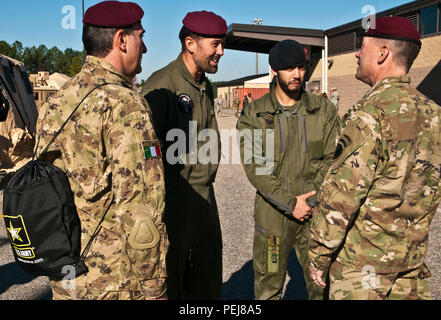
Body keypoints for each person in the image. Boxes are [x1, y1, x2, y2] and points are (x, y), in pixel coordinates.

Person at [33, 1, 168, 300]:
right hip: (115, 284)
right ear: (121, 40)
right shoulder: (126, 104)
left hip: (65, 279)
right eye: (140, 36)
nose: (143, 47)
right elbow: (141, 206)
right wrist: (154, 288)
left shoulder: (57, 102)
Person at [309, 16, 441, 300]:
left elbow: (341, 196)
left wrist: (319, 254)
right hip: (410, 270)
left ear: (382, 53)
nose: (357, 53)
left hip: (363, 273)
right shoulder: (434, 113)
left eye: (362, 46)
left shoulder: (369, 113)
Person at [237, 39, 339, 300]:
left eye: (301, 68)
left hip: (316, 214)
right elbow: (256, 167)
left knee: (321, 285)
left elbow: (331, 159)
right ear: (274, 71)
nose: (297, 75)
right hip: (274, 218)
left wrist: (312, 200)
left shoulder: (323, 110)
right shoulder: (254, 115)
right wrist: (290, 203)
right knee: (269, 284)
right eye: (288, 68)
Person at [141, 10, 227, 300]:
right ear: (191, 44)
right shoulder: (162, 85)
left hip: (204, 199)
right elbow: (145, 152)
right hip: (174, 202)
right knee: (172, 280)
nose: (221, 51)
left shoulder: (205, 84)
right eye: (215, 44)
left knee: (206, 281)